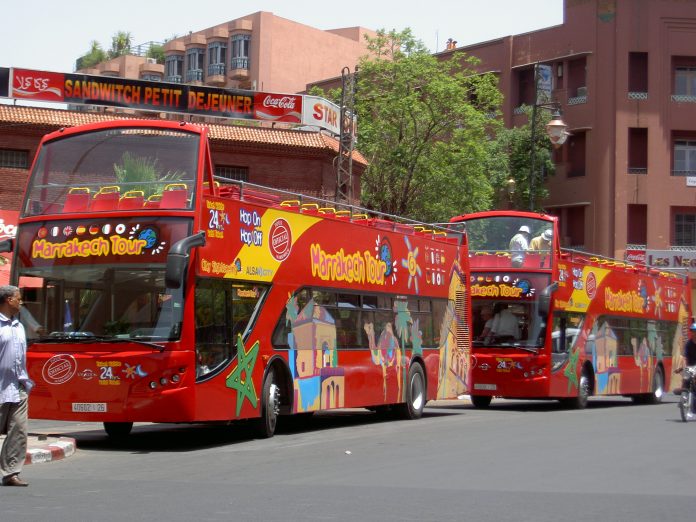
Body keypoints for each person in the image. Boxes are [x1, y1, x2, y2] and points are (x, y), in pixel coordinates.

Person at [0, 285, 33, 487]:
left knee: (19, 430)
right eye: (18, 298)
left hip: (18, 386)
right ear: (7, 300)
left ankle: (11, 472)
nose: (21, 302)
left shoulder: (19, 326)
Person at [676, 323, 696, 401]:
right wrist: (681, 367)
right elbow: (684, 357)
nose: (694, 333)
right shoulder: (688, 344)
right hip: (690, 367)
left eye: (695, 331)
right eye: (693, 331)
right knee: (686, 378)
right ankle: (684, 396)